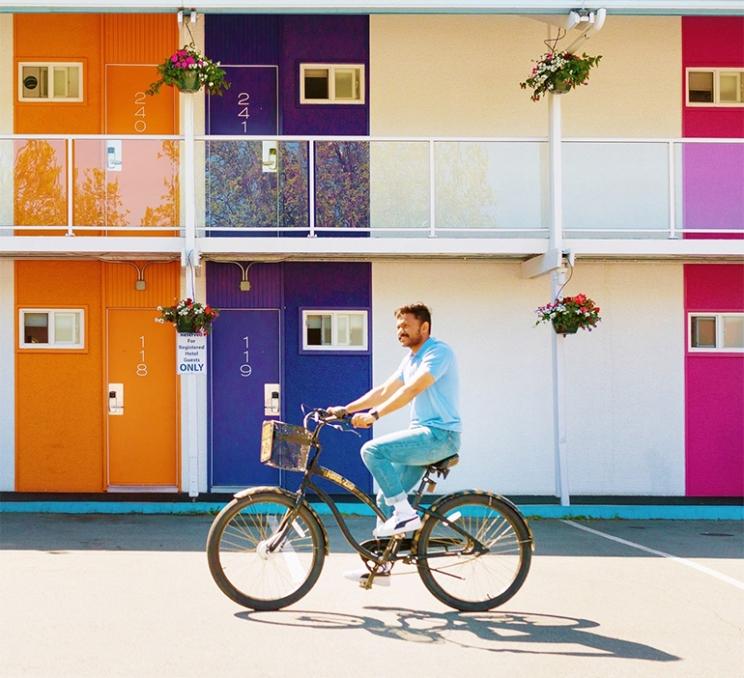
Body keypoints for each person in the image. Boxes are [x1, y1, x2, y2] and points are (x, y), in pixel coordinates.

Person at [329, 303, 461, 539]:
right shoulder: (410, 359)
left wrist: (374, 415)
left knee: (372, 450)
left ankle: (406, 516)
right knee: (385, 498)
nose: (400, 331)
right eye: (398, 327)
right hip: (423, 436)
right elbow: (383, 390)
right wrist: (345, 409)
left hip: (440, 436)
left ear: (424, 327)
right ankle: (385, 563)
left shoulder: (438, 352)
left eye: (406, 326)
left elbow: (412, 389)